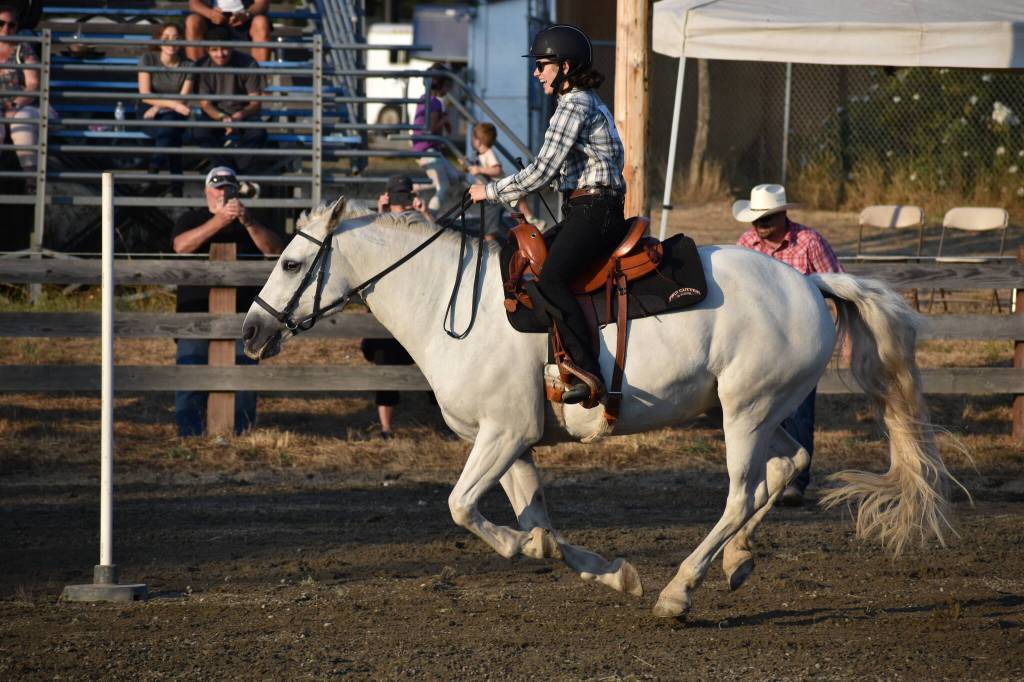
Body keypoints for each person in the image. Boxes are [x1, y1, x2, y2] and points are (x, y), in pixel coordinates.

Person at [469, 25, 627, 405]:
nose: (536, 72)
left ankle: (588, 373)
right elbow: (552, 172)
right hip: (586, 208)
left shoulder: (574, 105)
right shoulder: (579, 102)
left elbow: (541, 171)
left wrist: (488, 192)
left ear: (566, 67)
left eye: (543, 65)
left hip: (594, 210)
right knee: (528, 263)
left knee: (553, 278)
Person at [733, 183, 844, 506]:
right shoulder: (746, 244)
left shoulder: (808, 242)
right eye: (757, 218)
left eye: (767, 218)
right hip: (756, 344)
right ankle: (764, 476)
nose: (761, 225)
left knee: (798, 412)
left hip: (799, 342)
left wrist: (844, 338)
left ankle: (794, 481)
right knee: (760, 412)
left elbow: (836, 284)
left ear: (783, 215)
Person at [172, 166, 283, 437]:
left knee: (243, 374)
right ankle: (190, 431)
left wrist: (247, 222)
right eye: (218, 186)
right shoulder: (191, 218)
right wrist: (218, 222)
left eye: (229, 187)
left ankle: (241, 430)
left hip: (242, 315)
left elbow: (275, 251)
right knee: (191, 370)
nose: (223, 192)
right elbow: (181, 246)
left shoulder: (252, 220)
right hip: (195, 314)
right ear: (207, 191)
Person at [361, 175, 431, 439]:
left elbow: (442, 244)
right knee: (384, 359)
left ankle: (450, 416)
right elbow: (373, 247)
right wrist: (381, 213)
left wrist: (425, 214)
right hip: (387, 313)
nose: (401, 204)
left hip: (417, 309)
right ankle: (386, 427)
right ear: (387, 197)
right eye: (397, 197)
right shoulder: (378, 224)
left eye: (405, 196)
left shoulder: (419, 222)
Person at [193, 26, 267, 171]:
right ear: (207, 50)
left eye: (224, 48)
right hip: (214, 114)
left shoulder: (248, 63)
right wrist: (222, 118)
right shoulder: (201, 65)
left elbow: (255, 103)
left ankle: (228, 172)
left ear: (232, 46)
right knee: (200, 133)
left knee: (259, 133)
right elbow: (206, 105)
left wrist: (239, 116)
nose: (220, 54)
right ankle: (233, 173)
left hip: (244, 114)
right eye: (214, 50)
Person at [0, 4, 56, 193]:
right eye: (1, 24)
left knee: (22, 120)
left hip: (25, 103)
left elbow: (33, 84)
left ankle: (32, 179)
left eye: (11, 25)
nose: (6, 29)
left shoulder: (23, 49)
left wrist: (15, 104)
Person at [137, 22, 194, 195]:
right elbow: (145, 95)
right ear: (159, 41)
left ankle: (153, 171)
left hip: (174, 113)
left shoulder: (189, 65)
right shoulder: (148, 59)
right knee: (171, 132)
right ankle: (177, 187)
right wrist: (168, 105)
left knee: (170, 126)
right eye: (166, 38)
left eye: (176, 38)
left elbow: (183, 99)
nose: (171, 42)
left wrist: (161, 106)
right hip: (148, 110)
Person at [464, 121, 546, 240]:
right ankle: (527, 224)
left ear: (478, 140)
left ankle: (529, 221)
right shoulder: (479, 154)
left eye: (473, 137)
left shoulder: (489, 154)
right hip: (491, 193)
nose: (472, 140)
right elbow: (475, 168)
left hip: (498, 190)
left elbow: (497, 170)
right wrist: (466, 164)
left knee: (512, 207)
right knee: (509, 212)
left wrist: (478, 169)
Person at [412, 63, 462, 212]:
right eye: (448, 85)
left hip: (429, 149)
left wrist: (443, 120)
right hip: (427, 151)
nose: (449, 89)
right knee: (443, 186)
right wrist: (444, 120)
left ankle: (414, 187)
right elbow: (430, 128)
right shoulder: (434, 102)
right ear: (440, 85)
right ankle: (431, 217)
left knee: (454, 177)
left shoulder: (424, 99)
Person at [186, 0, 272, 63]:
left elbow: (262, 3)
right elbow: (193, 3)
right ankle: (194, 79)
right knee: (192, 22)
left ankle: (259, 79)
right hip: (211, 19)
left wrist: (246, 14)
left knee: (261, 22)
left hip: (244, 19)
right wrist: (210, 14)